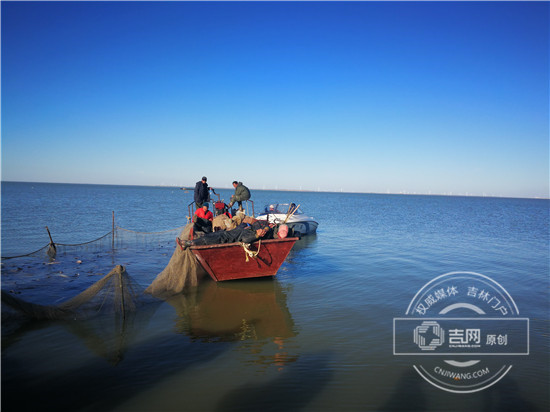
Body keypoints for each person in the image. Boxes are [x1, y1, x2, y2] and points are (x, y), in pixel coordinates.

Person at [178, 220, 272, 249]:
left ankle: (187, 244)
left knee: (208, 240)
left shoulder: (252, 234)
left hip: (227, 238)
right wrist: (266, 228)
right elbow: (264, 225)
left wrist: (257, 235)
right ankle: (194, 239)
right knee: (210, 235)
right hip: (226, 233)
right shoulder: (252, 227)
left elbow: (246, 240)